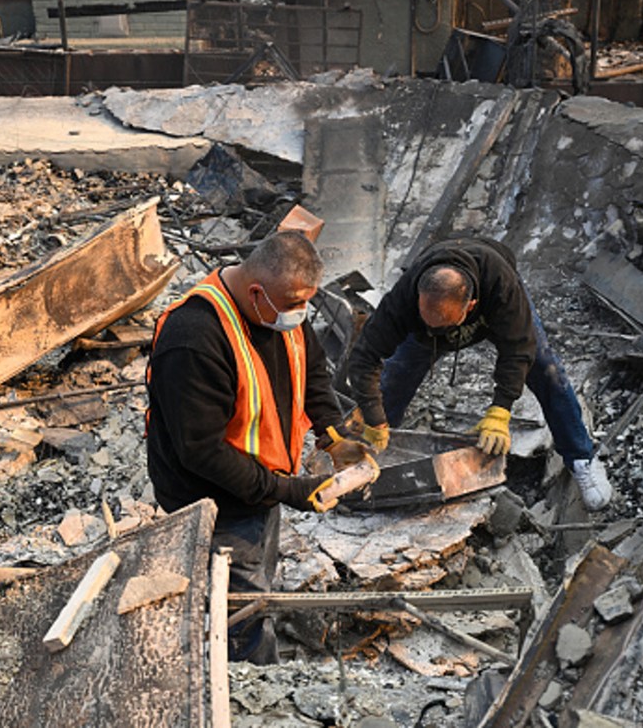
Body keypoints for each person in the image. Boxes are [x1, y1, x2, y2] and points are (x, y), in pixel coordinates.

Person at [146, 230, 366, 665]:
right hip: (212, 500)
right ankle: (250, 681)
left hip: (261, 486)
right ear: (255, 292)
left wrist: (332, 433)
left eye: (307, 303)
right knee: (237, 608)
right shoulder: (194, 337)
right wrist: (292, 491)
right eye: (291, 306)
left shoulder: (280, 310)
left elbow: (312, 372)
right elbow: (202, 452)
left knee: (256, 578)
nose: (299, 315)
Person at [346, 233, 613, 511]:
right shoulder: (405, 297)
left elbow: (518, 350)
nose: (439, 331)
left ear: (470, 306)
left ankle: (582, 457)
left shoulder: (502, 286)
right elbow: (365, 357)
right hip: (426, 327)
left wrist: (500, 410)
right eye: (430, 321)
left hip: (494, 306)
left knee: (546, 369)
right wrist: (374, 417)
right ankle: (370, 459)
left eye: (445, 325)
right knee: (396, 377)